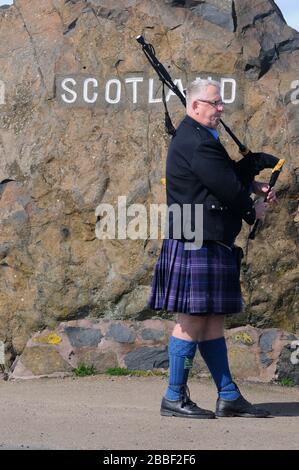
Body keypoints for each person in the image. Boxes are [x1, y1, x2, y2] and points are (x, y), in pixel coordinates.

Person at [148, 79, 278, 419]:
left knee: (213, 322)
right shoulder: (196, 141)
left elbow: (221, 177)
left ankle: (229, 396)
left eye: (221, 103)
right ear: (195, 107)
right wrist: (252, 208)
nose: (221, 109)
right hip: (197, 242)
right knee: (190, 321)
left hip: (209, 241)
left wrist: (251, 178)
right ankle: (174, 396)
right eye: (215, 103)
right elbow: (227, 190)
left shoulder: (201, 138)